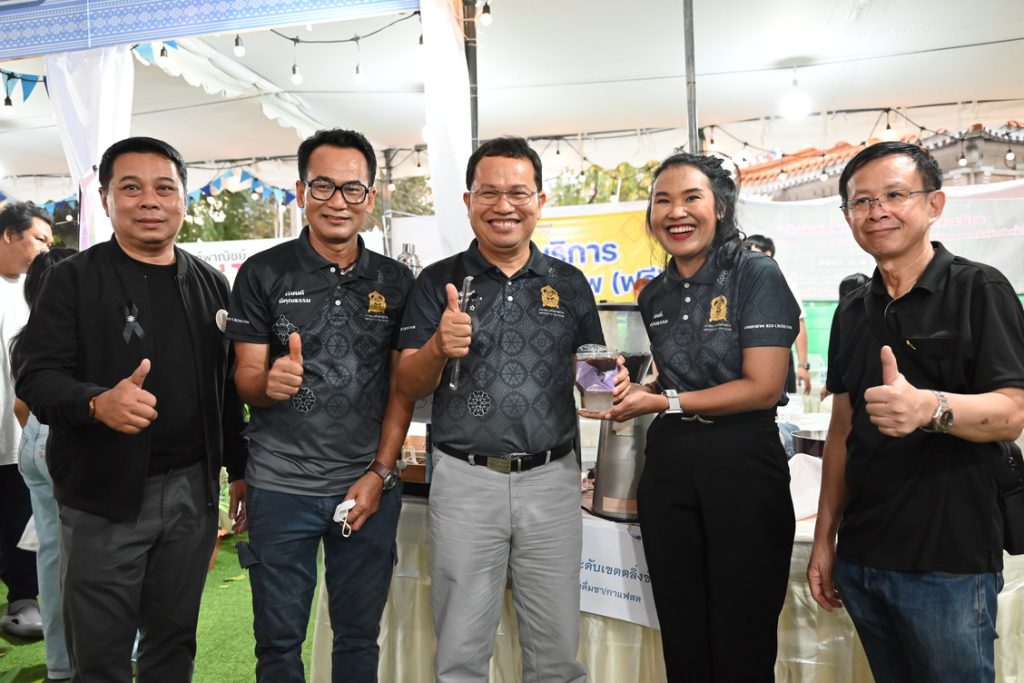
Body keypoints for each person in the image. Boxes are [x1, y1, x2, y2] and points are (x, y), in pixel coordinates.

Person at [15, 136, 248, 683]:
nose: (150, 201)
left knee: (174, 642)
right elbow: (36, 378)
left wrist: (238, 470)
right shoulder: (72, 280)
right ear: (105, 199)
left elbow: (225, 390)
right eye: (131, 188)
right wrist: (96, 403)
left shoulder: (211, 285)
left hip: (191, 492)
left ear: (183, 199)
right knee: (100, 654)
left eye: (164, 188)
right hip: (103, 496)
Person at [806, 141, 1024, 683]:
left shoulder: (979, 289)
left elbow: (1012, 411)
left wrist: (929, 407)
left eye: (895, 195)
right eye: (861, 201)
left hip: (948, 560)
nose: (877, 211)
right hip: (864, 553)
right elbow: (842, 431)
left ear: (934, 204)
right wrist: (825, 539)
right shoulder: (852, 310)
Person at [587, 152, 799, 681]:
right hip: (671, 464)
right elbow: (673, 379)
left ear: (720, 207)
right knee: (682, 639)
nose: (676, 212)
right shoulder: (655, 293)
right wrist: (637, 389)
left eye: (691, 198)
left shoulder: (754, 273)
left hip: (743, 462)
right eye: (662, 200)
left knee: (741, 642)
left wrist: (665, 402)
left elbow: (763, 386)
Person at [396, 136, 602, 683]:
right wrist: (438, 346)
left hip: (552, 479)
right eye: (488, 192)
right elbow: (407, 382)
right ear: (469, 201)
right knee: (461, 652)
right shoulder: (437, 282)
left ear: (540, 201)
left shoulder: (569, 284)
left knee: (556, 653)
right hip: (465, 479)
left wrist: (613, 381)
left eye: (518, 192)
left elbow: (594, 377)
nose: (503, 206)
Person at [226, 128, 415, 683]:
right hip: (280, 485)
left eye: (353, 189)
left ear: (370, 198)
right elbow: (244, 377)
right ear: (300, 192)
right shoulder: (262, 272)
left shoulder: (396, 281)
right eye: (323, 186)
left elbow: (402, 389)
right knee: (278, 643)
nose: (338, 201)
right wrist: (268, 384)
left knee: (358, 636)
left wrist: (380, 473)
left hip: (366, 487)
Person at [11, 246, 76, 680]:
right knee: (100, 553)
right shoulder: (74, 335)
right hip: (65, 441)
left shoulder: (26, 337)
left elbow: (22, 405)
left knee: (51, 558)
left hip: (34, 440)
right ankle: (113, 650)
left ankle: (60, 664)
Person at [0, 201, 52, 640]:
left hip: (21, 436)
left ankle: (23, 599)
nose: (45, 250)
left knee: (21, 516)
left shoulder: (38, 292)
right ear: (8, 235)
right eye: (39, 239)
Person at [742, 233, 813, 395]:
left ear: (768, 254)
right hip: (746, 357)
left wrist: (803, 366)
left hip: (778, 356)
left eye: (752, 251)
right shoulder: (738, 281)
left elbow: (799, 322)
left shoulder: (783, 280)